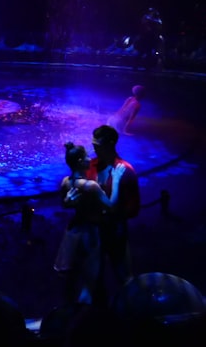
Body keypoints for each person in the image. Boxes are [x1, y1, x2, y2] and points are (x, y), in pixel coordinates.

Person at [54, 142, 126, 308]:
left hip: (73, 231)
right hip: (90, 234)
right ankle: (81, 321)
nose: (90, 158)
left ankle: (67, 317)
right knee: (89, 283)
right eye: (86, 156)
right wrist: (115, 181)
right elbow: (110, 206)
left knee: (71, 281)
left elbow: (66, 204)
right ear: (80, 161)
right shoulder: (90, 186)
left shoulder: (65, 182)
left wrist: (67, 202)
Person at [86, 124, 140, 293]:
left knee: (124, 277)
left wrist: (112, 214)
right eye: (93, 145)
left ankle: (130, 314)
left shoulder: (125, 170)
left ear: (110, 144)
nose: (94, 149)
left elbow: (134, 207)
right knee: (92, 279)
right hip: (93, 231)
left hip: (115, 230)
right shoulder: (90, 166)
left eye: (98, 146)